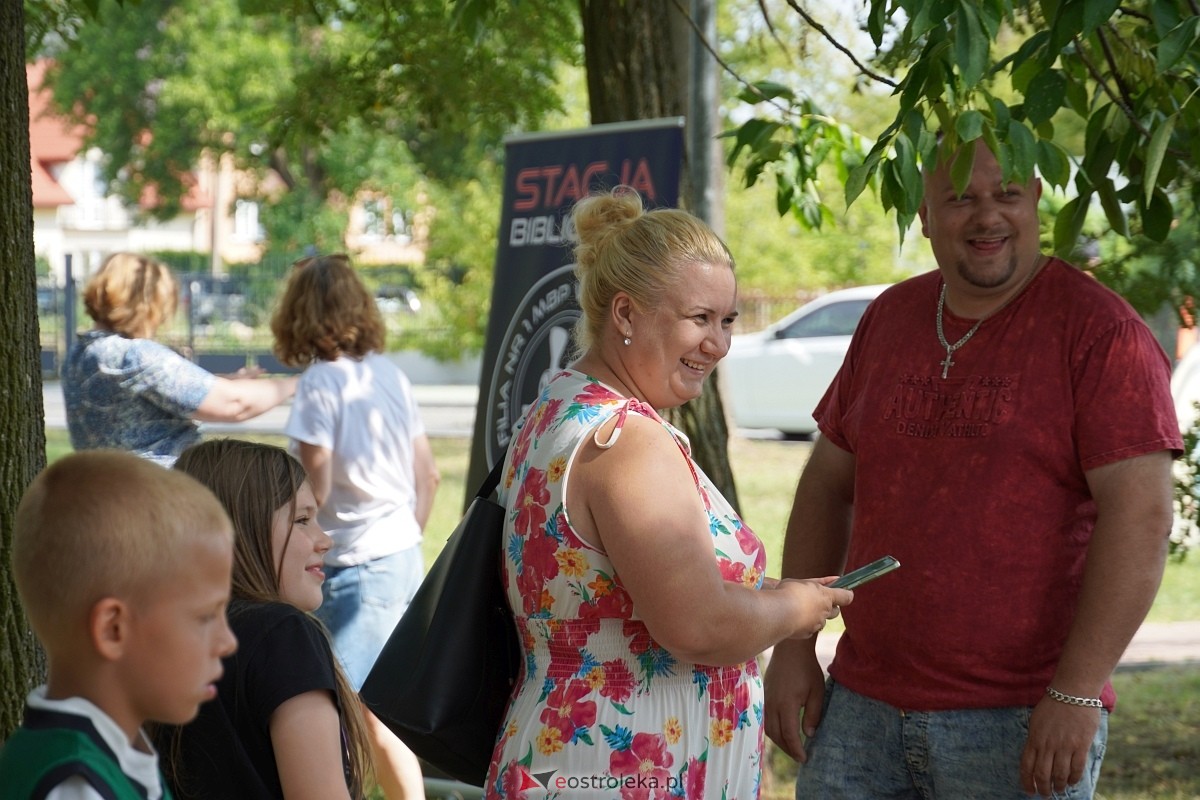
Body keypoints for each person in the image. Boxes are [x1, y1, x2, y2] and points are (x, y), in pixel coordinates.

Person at [763, 141, 1182, 799]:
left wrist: (1075, 695)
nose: (986, 217)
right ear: (925, 214)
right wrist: (792, 646)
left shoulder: (1100, 332)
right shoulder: (890, 318)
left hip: (1021, 716)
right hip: (860, 710)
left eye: (1006, 194)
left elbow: (1144, 518)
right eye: (960, 198)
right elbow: (826, 484)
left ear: (1036, 200)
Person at [484, 187, 853, 799]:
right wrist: (797, 610)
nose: (719, 344)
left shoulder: (558, 406)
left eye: (728, 319)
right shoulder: (628, 440)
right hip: (621, 769)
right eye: (699, 318)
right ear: (625, 315)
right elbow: (697, 625)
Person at [271, 253, 439, 800]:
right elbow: (430, 476)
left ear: (300, 313)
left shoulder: (321, 383)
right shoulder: (389, 374)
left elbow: (310, 492)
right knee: (372, 710)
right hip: (399, 558)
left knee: (344, 710)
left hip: (356, 569)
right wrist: (398, 536)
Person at [0, 450, 237, 799]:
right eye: (205, 617)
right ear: (113, 629)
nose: (228, 641)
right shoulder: (75, 784)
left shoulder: (114, 749)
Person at [156, 438, 373, 800]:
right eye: (302, 520)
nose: (324, 541)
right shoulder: (283, 635)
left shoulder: (160, 637)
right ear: (239, 530)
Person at [62, 251, 298, 466]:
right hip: (158, 498)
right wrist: (298, 383)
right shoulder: (134, 356)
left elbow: (151, 396)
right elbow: (234, 404)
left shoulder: (81, 353)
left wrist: (225, 381)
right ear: (145, 305)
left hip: (109, 492)